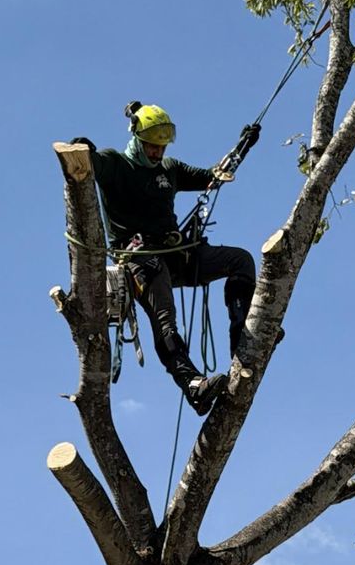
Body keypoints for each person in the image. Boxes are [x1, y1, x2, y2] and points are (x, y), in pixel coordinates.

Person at [71, 103, 260, 416]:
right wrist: (82, 148)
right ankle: (192, 384)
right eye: (152, 146)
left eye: (161, 147)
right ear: (136, 137)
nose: (157, 152)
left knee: (241, 261)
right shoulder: (115, 164)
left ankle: (243, 335)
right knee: (164, 317)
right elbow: (88, 165)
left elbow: (213, 177)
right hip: (142, 260)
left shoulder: (169, 169)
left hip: (179, 254)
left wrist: (243, 147)